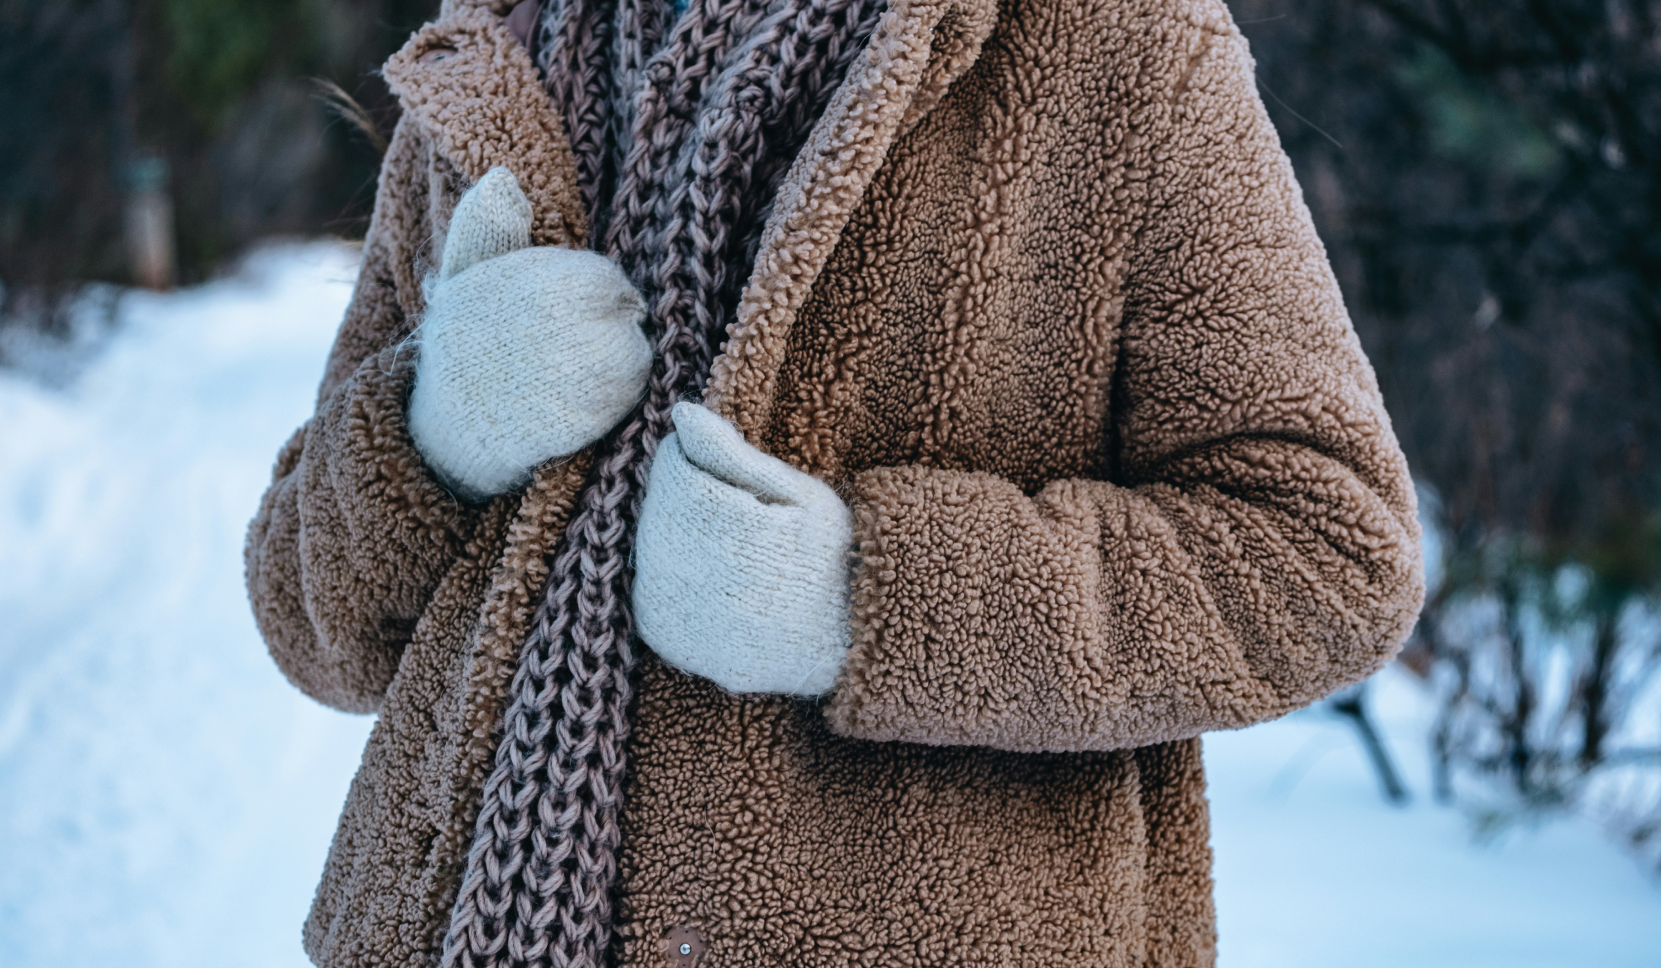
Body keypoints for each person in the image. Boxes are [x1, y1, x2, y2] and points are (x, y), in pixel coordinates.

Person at [245, 0, 1425, 965]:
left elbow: (1330, 547)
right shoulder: (501, 49)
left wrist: (863, 596)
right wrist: (434, 426)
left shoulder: (1118, 41)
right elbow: (311, 626)